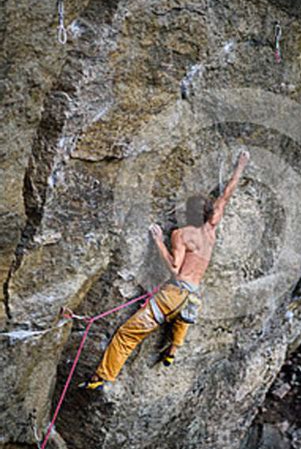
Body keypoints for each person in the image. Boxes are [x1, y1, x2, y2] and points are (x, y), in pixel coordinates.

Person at [79, 149, 250, 389]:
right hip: (192, 298)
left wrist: (159, 240)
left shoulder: (181, 235)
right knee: (181, 321)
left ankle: (102, 376)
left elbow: (174, 267)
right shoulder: (211, 229)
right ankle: (172, 350)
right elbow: (226, 196)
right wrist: (241, 165)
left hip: (173, 296)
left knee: (127, 335)